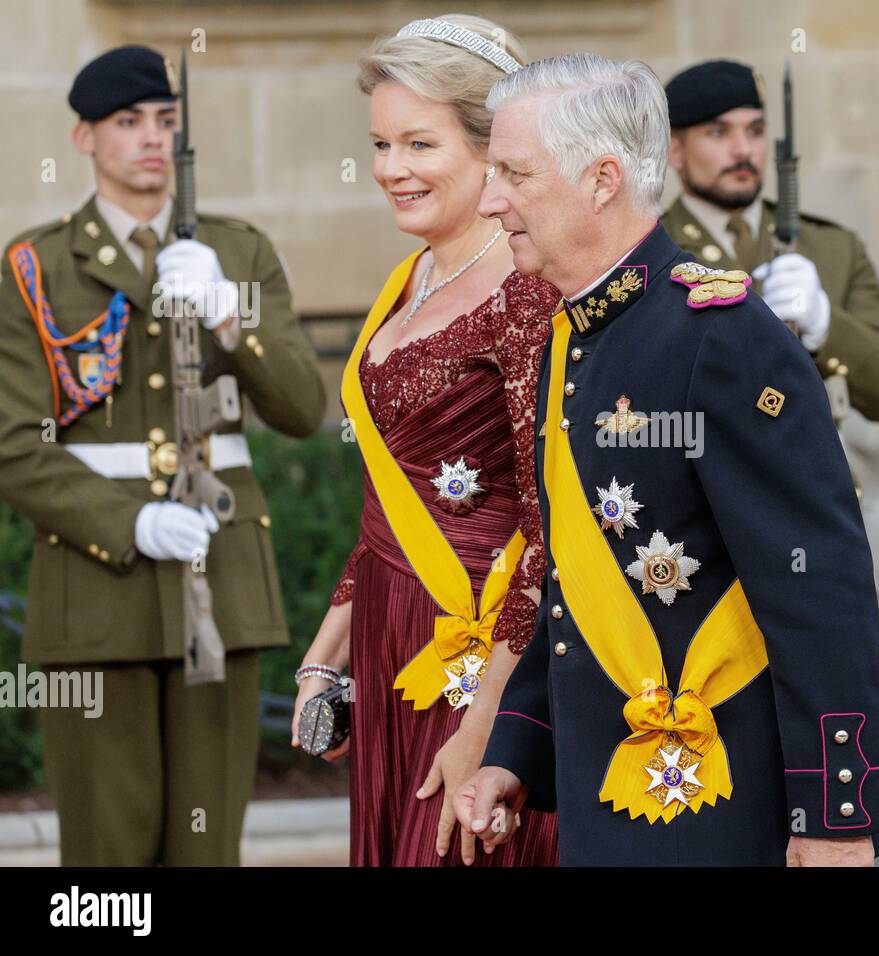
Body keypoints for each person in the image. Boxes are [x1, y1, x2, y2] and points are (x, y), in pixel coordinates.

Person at [454, 53, 879, 866]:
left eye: (514, 173)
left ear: (601, 180)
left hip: (721, 799)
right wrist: (518, 749)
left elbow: (817, 583)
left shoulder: (721, 338)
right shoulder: (570, 338)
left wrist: (838, 814)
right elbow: (575, 590)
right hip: (606, 796)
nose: (490, 200)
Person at [0, 45, 327, 865]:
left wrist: (229, 314)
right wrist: (130, 520)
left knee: (206, 843)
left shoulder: (238, 253)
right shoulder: (34, 267)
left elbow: (301, 407)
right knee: (107, 852)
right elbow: (15, 445)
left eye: (165, 121)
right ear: (84, 138)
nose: (151, 138)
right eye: (127, 121)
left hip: (220, 577)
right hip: (95, 586)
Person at [290, 15, 560, 867]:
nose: (392, 170)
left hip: (486, 653)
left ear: (492, 148)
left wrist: (487, 722)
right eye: (380, 144)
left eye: (419, 143)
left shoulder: (526, 295)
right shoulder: (408, 280)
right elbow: (389, 500)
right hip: (390, 632)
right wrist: (322, 662)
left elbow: (552, 526)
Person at [660, 59, 879, 422]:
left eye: (755, 130)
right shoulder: (650, 251)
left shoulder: (834, 248)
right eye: (718, 133)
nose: (743, 151)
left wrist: (826, 324)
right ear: (675, 151)